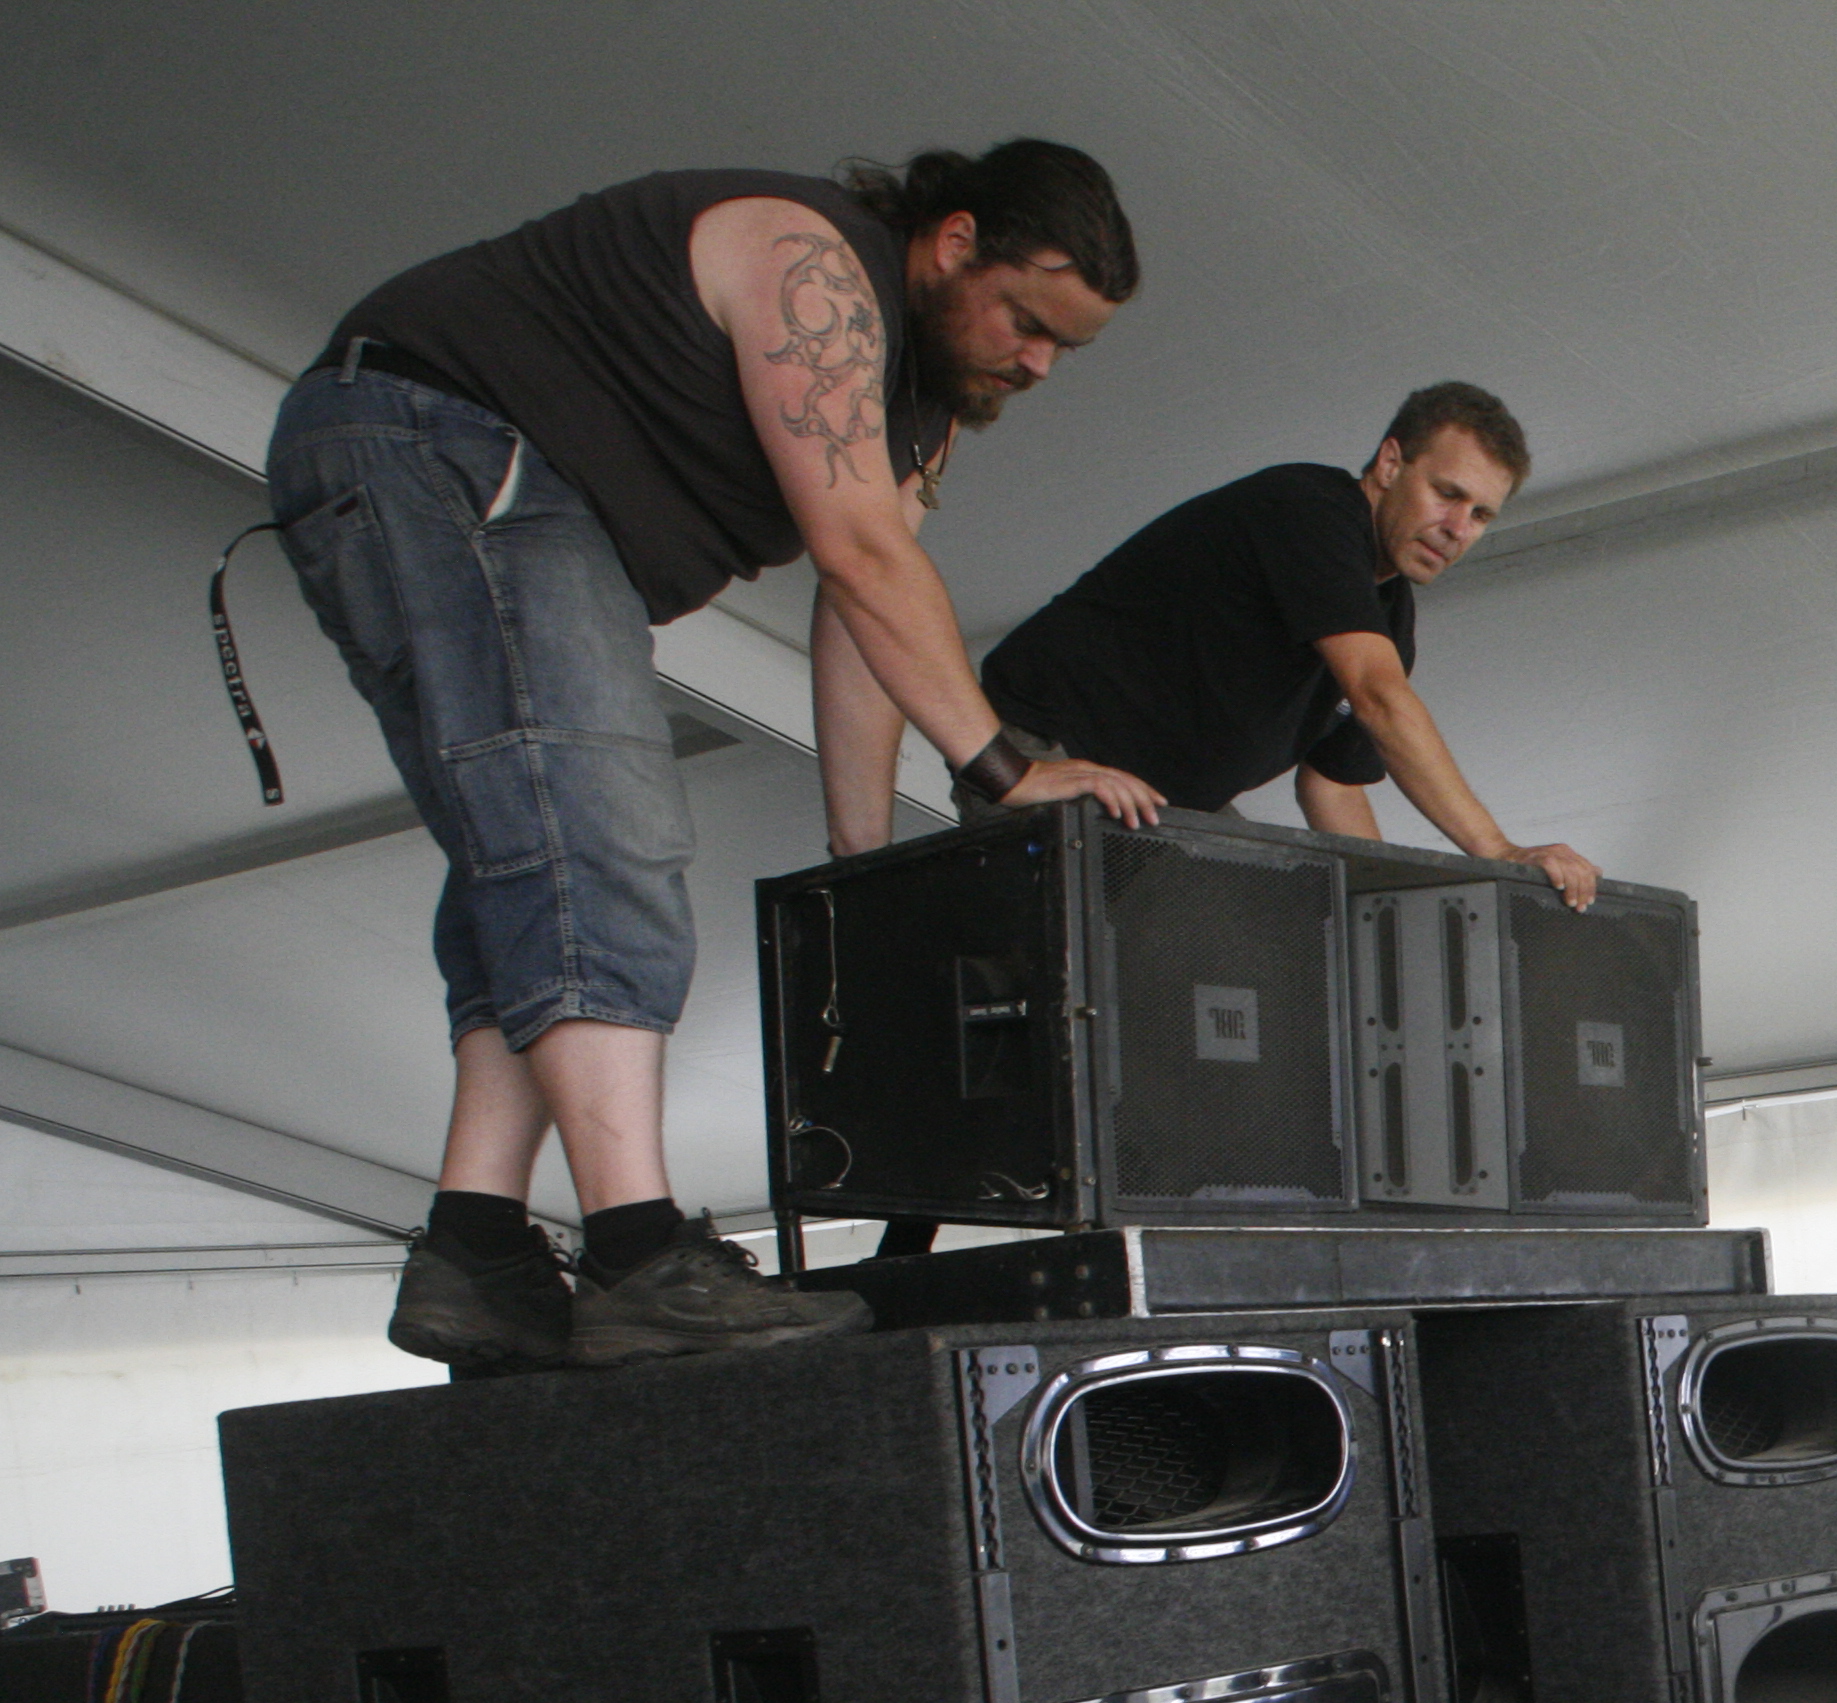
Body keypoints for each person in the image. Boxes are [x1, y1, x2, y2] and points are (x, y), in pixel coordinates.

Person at [271, 146, 1167, 1377]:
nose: (1038, 362)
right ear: (956, 241)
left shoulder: (921, 412)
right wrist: (1007, 768)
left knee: (532, 853)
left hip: (428, 469)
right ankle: (639, 1254)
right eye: (1026, 319)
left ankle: (473, 1247)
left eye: (1066, 346)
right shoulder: (812, 262)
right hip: (446, 437)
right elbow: (861, 555)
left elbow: (863, 612)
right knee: (605, 835)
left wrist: (863, 857)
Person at [976, 383, 1602, 907]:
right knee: (1099, 961)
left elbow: (1333, 785)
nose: (1458, 529)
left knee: (1270, 941)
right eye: (1448, 494)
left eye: (1482, 516)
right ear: (1390, 464)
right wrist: (1497, 850)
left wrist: (1382, 912)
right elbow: (1379, 698)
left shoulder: (1390, 620)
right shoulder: (1310, 510)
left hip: (1161, 803)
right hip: (1048, 748)